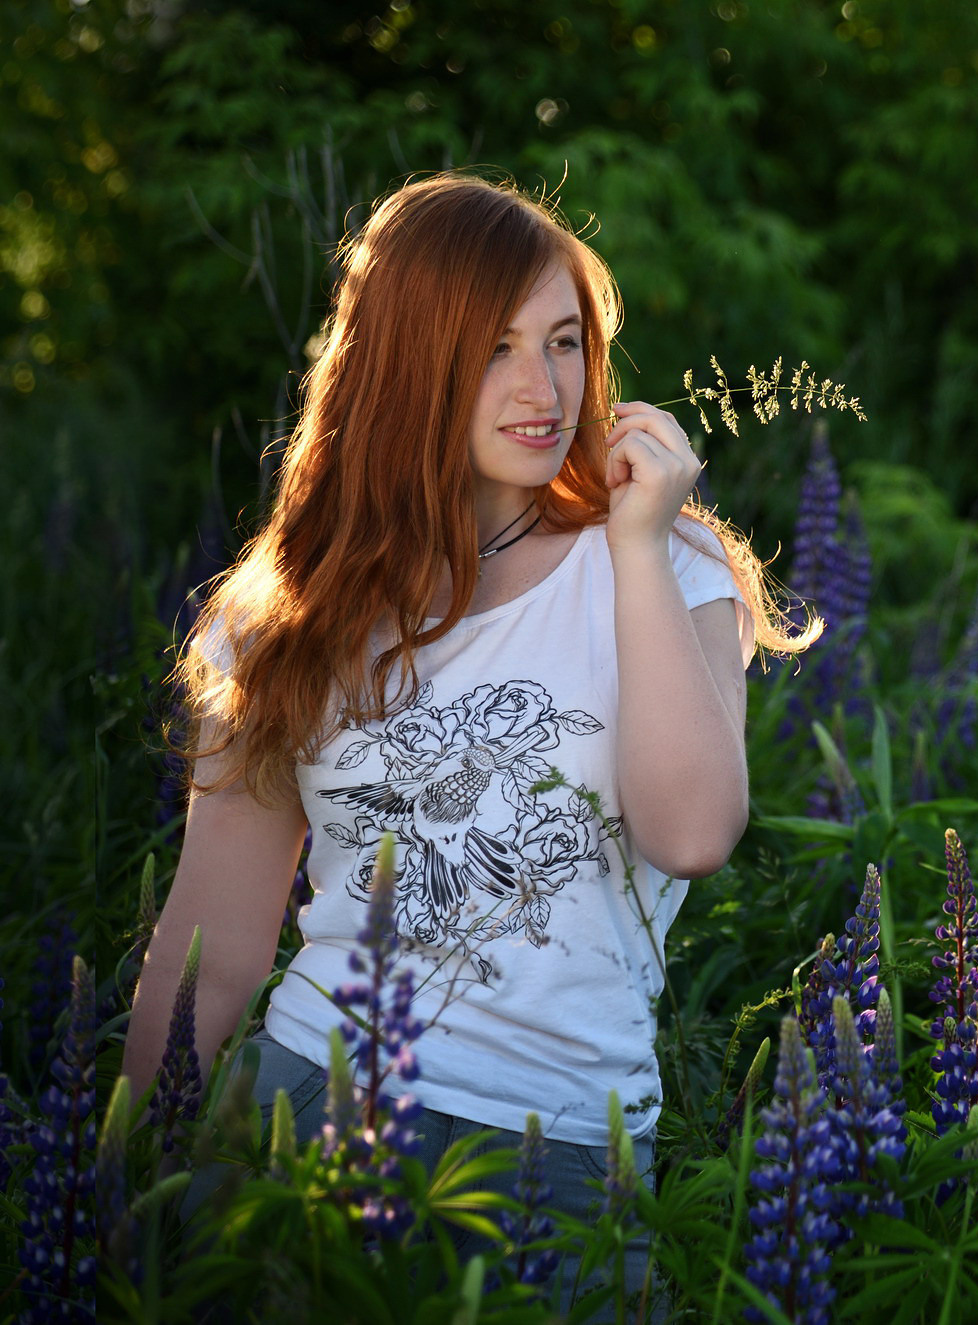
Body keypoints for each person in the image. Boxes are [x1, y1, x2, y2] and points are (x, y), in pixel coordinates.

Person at [119, 171, 816, 1314]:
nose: (543, 388)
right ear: (408, 359)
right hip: (305, 1119)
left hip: (560, 1159)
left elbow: (691, 831)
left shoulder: (665, 564)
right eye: (494, 348)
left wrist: (635, 545)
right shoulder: (288, 611)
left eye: (563, 342)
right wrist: (115, 1185)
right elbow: (214, 943)